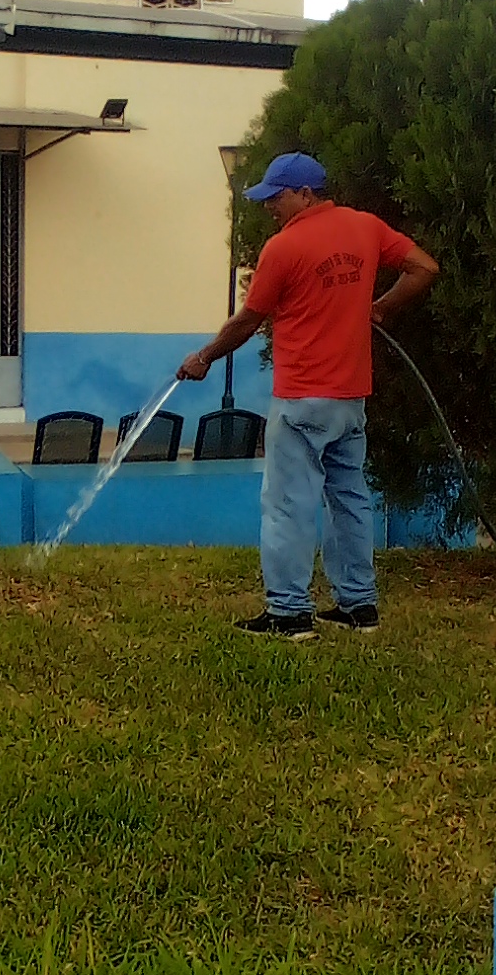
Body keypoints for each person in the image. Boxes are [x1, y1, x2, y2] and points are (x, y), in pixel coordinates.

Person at [178, 151, 438, 639]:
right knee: (350, 498)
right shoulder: (365, 227)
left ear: (304, 193)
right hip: (351, 398)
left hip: (301, 398)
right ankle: (359, 607)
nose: (269, 207)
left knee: (288, 504)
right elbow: (423, 267)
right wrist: (381, 307)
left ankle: (289, 613)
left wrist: (205, 357)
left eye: (275, 197)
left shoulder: (285, 247)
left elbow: (248, 320)